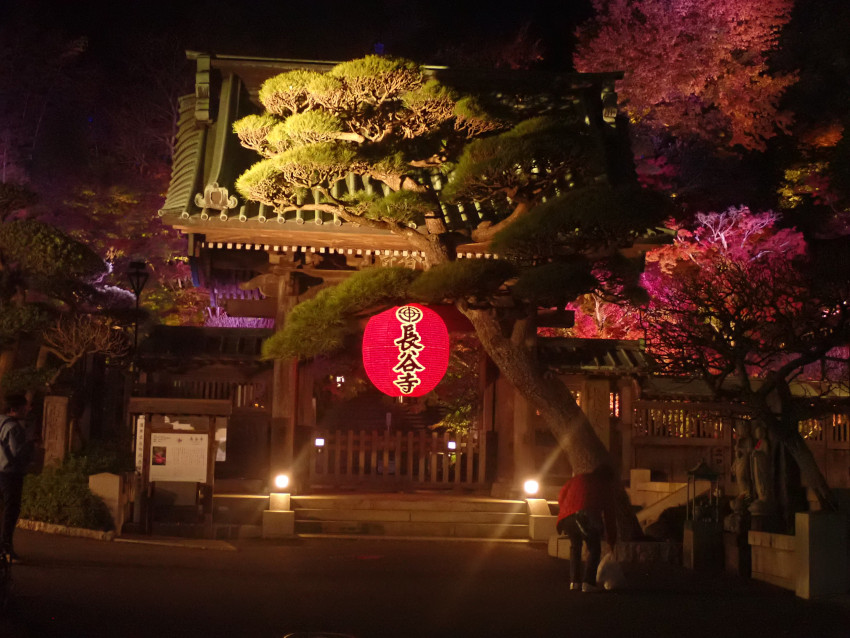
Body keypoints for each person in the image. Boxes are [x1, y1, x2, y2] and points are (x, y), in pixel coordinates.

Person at [557, 464, 618, 592]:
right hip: (586, 517)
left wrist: (567, 510)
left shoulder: (578, 478)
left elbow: (561, 495)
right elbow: (609, 514)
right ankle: (588, 583)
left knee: (575, 547)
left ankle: (574, 582)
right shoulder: (605, 486)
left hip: (567, 518)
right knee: (594, 548)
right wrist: (611, 540)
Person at [0, 394, 33, 561]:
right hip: (9, 474)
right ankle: (5, 548)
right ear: (15, 409)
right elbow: (17, 453)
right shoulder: (14, 428)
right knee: (10, 511)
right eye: (25, 407)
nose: (28, 409)